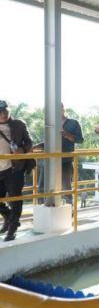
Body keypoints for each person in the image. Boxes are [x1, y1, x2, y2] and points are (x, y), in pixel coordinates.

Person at [35, 103, 84, 205]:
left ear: (63, 109)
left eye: (58, 108)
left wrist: (67, 135)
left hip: (65, 161)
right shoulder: (49, 124)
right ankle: (42, 210)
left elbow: (80, 140)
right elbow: (47, 142)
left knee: (66, 188)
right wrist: (33, 148)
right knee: (42, 188)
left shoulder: (73, 123)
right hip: (48, 161)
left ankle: (70, 211)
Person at [0, 100, 33, 241]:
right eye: (0, 112)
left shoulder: (19, 125)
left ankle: (12, 229)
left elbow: (29, 143)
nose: (3, 114)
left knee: (15, 199)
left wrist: (23, 149)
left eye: (5, 111)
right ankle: (9, 218)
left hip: (14, 169)